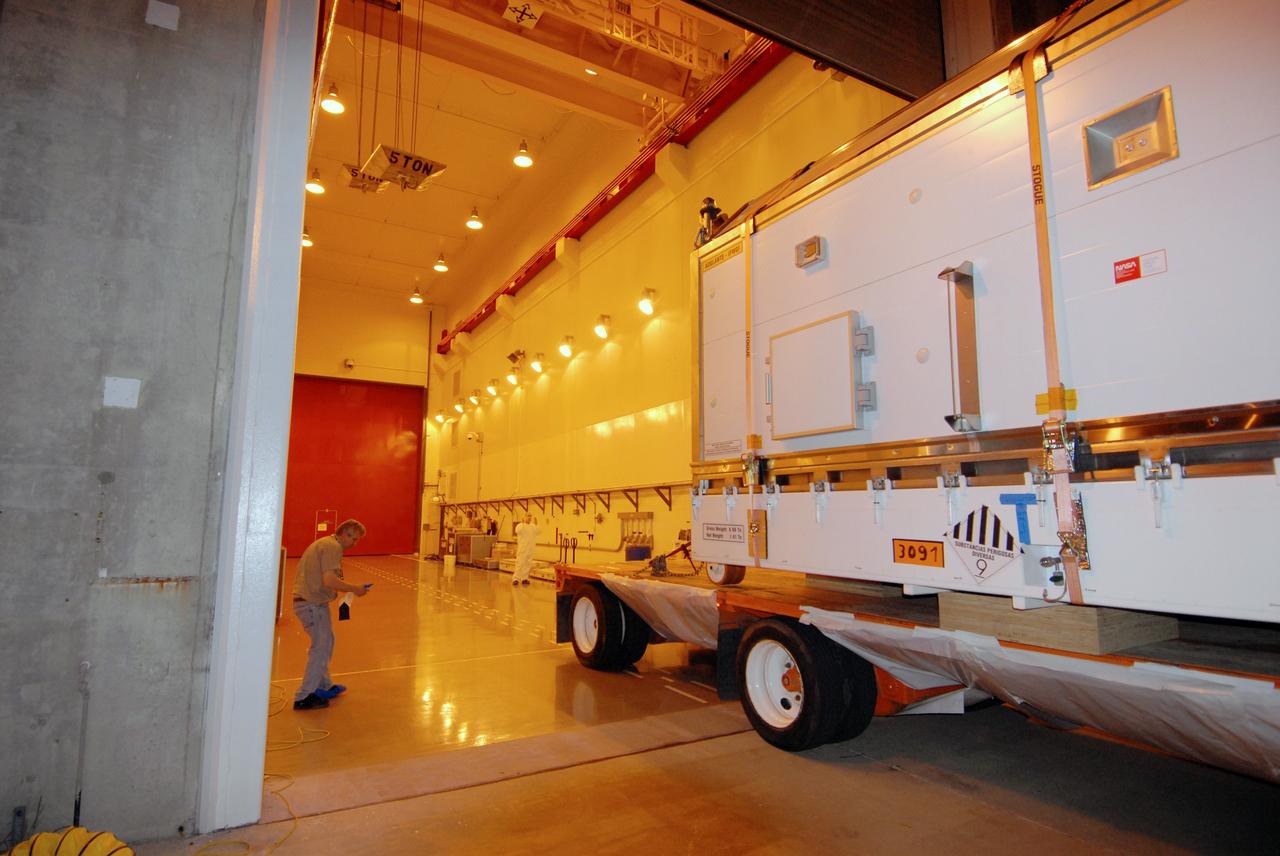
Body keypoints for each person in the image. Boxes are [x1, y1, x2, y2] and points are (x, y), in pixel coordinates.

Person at [291, 519, 371, 710]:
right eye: (352, 537)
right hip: (311, 604)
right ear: (343, 533)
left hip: (312, 602)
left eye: (357, 539)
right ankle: (304, 696)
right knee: (321, 646)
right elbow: (329, 580)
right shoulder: (332, 546)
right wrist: (355, 589)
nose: (354, 543)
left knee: (327, 642)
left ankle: (323, 685)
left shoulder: (326, 544)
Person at [513, 514, 539, 585]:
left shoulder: (532, 526)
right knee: (520, 563)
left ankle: (525, 578)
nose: (529, 518)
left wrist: (536, 523)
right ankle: (516, 578)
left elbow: (538, 531)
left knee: (528, 564)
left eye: (530, 517)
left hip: (530, 549)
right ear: (524, 517)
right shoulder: (520, 526)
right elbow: (517, 530)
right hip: (522, 548)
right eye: (527, 517)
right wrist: (522, 522)